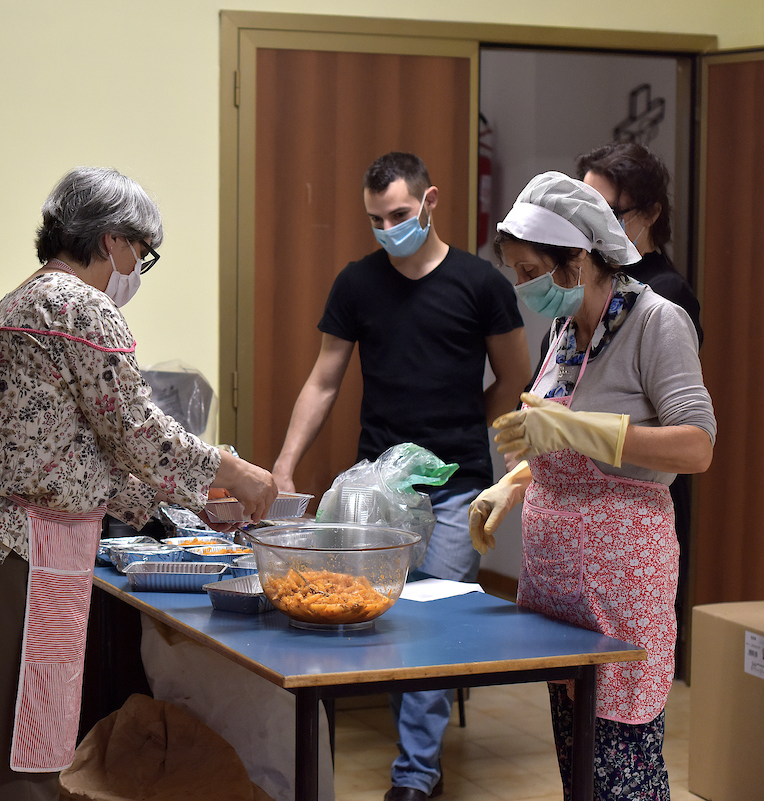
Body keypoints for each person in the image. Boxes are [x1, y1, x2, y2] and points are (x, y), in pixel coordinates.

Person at [0, 166, 278, 801]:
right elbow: (136, 431)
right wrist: (238, 473)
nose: (138, 266)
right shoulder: (82, 305)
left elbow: (70, 452)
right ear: (112, 240)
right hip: (7, 550)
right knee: (21, 765)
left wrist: (175, 509)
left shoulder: (22, 300)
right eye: (142, 251)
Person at [271, 151, 531, 801]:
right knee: (384, 617)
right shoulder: (357, 284)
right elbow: (324, 377)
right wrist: (284, 460)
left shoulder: (480, 284)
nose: (389, 228)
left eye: (400, 214)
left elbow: (515, 375)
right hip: (379, 486)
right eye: (376, 219)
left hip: (456, 482)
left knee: (433, 620)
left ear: (431, 200)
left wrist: (470, 429)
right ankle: (407, 755)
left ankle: (415, 775)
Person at [470, 171, 715, 800]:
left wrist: (592, 432)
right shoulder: (566, 329)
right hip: (562, 584)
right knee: (578, 763)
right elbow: (560, 435)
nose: (522, 288)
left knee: (620, 768)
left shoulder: (656, 322)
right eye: (516, 272)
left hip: (622, 581)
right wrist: (516, 484)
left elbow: (697, 446)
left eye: (530, 271)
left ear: (577, 259)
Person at [576, 142, 703, 670]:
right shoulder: (578, 297)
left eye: (606, 213)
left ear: (649, 215)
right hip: (577, 543)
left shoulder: (662, 302)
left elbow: (691, 438)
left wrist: (583, 431)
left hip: (631, 518)